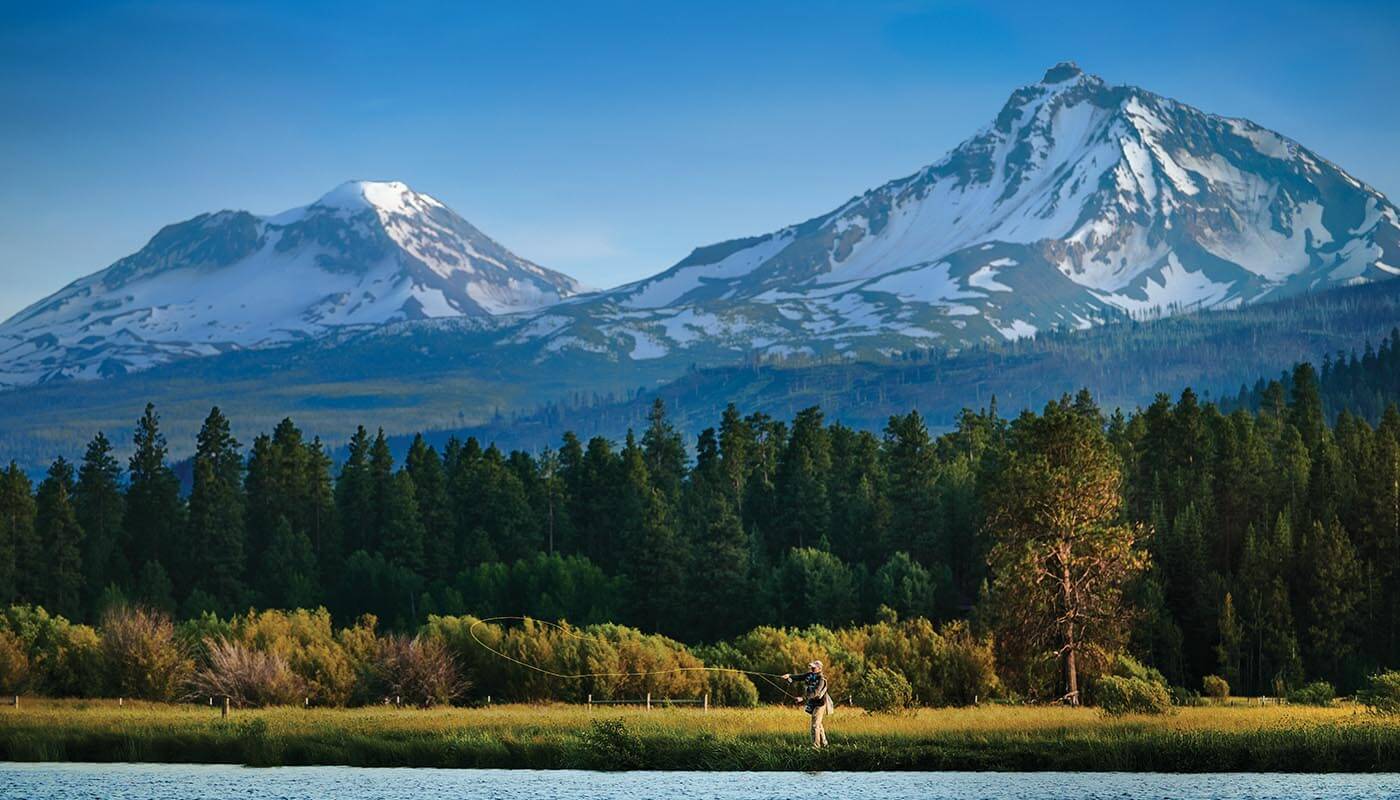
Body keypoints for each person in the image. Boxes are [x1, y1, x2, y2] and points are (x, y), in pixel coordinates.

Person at [782, 660, 834, 748]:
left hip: (820, 703)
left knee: (815, 725)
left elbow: (816, 693)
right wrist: (789, 676)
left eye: (814, 667)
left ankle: (816, 746)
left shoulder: (822, 679)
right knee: (818, 724)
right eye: (811, 667)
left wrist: (803, 698)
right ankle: (825, 744)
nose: (812, 669)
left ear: (819, 668)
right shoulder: (809, 675)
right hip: (813, 703)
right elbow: (799, 677)